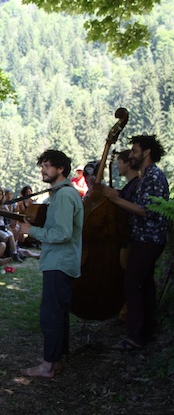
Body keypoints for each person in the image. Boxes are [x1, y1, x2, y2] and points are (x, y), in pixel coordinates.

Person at [19, 149, 83, 378]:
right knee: (58, 313)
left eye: (47, 166)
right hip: (59, 260)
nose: (43, 170)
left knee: (51, 314)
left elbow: (63, 233)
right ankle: (57, 359)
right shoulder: (60, 194)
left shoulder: (64, 195)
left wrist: (31, 230)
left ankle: (48, 365)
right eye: (42, 166)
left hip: (59, 261)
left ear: (61, 169)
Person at [103, 135, 169, 350]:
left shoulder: (153, 176)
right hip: (144, 239)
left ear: (146, 152)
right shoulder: (145, 176)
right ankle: (145, 333)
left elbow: (145, 210)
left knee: (133, 284)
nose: (131, 155)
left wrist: (116, 199)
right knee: (145, 285)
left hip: (148, 240)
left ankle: (133, 337)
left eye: (134, 150)